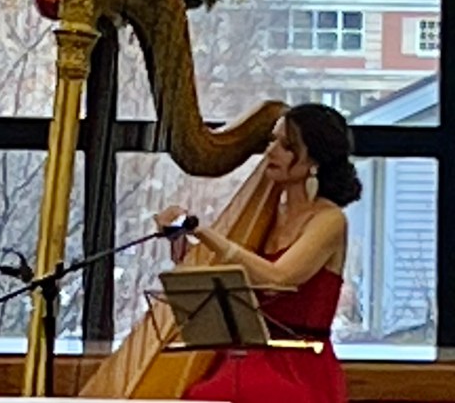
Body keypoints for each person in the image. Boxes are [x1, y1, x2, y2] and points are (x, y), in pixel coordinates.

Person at [154, 103, 362, 403]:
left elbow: (278, 277)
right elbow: (227, 274)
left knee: (216, 395)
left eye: (286, 146)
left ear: (314, 160)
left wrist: (204, 231)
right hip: (249, 358)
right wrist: (179, 240)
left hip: (297, 364)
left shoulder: (329, 220)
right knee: (198, 394)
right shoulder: (266, 216)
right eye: (271, 140)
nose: (270, 151)